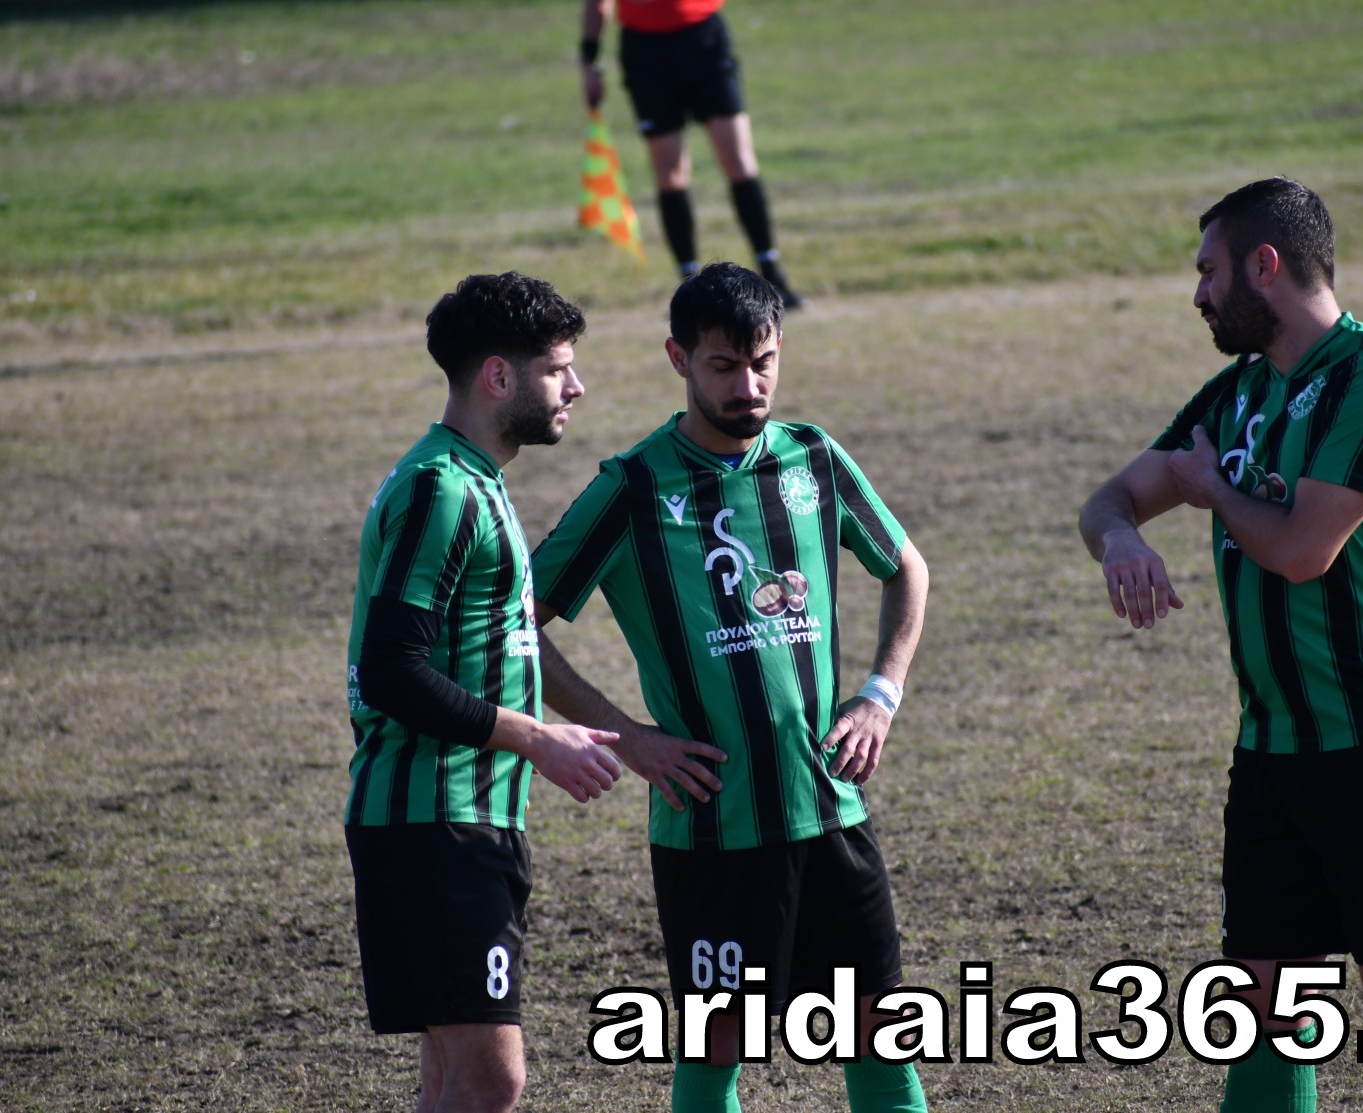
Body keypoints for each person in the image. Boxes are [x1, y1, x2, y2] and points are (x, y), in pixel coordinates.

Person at [1077, 178, 1363, 1113]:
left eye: (1208, 271)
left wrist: (1212, 492)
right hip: (1273, 748)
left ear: (1265, 265)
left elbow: (1302, 551)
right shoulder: (1240, 393)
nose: (1198, 295)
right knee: (1261, 997)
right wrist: (1123, 536)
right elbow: (1109, 497)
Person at [532, 262, 928, 1111]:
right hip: (712, 829)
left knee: (879, 1031)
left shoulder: (813, 457)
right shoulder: (631, 487)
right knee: (720, 1046)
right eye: (723, 366)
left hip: (830, 810)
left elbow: (906, 566)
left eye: (764, 362)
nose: (749, 386)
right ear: (678, 358)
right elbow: (514, 623)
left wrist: (880, 693)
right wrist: (626, 737)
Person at [343, 272, 625, 1113]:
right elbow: (393, 669)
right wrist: (538, 738)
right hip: (435, 823)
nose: (576, 386)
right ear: (498, 376)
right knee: (491, 1078)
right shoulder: (442, 489)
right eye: (557, 369)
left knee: (452, 1075)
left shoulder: (471, 479)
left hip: (461, 821)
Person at [579, 0, 804, 308]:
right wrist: (589, 62)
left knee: (738, 160)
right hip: (646, 51)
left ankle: (771, 276)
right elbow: (597, 4)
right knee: (670, 174)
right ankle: (689, 290)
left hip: (703, 38)